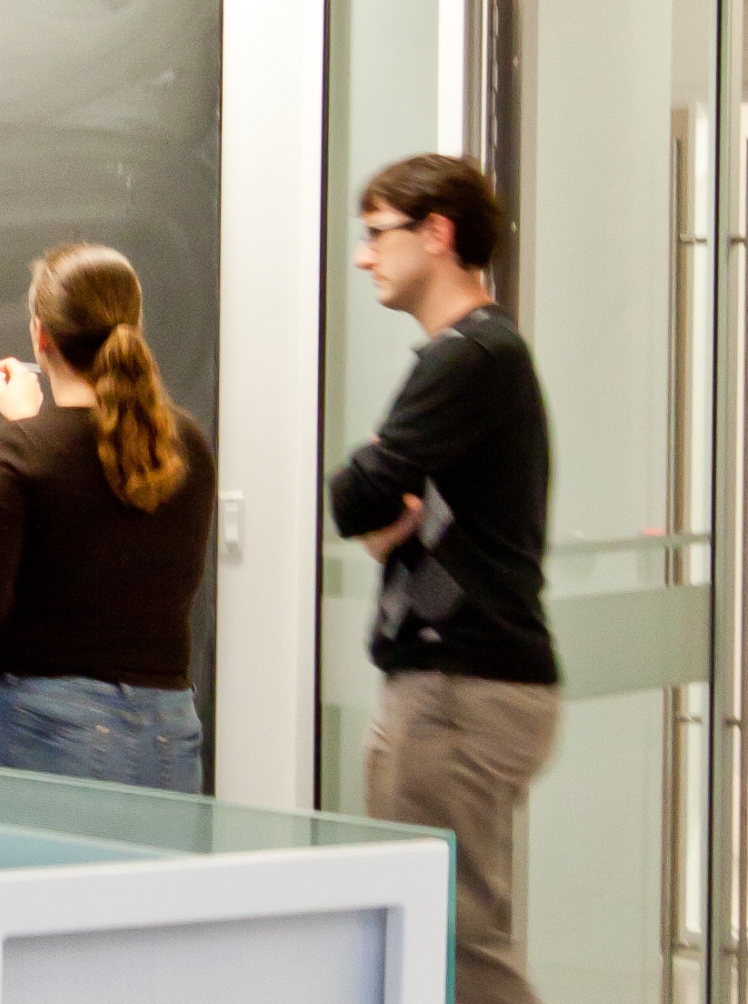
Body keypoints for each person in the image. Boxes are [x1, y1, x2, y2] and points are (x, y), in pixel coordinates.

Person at [329, 154, 556, 1004]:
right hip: (451, 681)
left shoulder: (469, 358)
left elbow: (355, 495)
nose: (364, 256)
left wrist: (382, 503)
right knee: (430, 927)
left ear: (438, 234)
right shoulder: (476, 358)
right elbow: (383, 508)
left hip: (461, 686)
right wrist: (391, 514)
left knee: (454, 940)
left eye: (377, 234)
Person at [0, 244, 216, 792]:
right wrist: (33, 426)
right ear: (133, 326)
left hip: (38, 727)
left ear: (42, 336)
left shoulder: (21, 451)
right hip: (168, 732)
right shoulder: (187, 445)